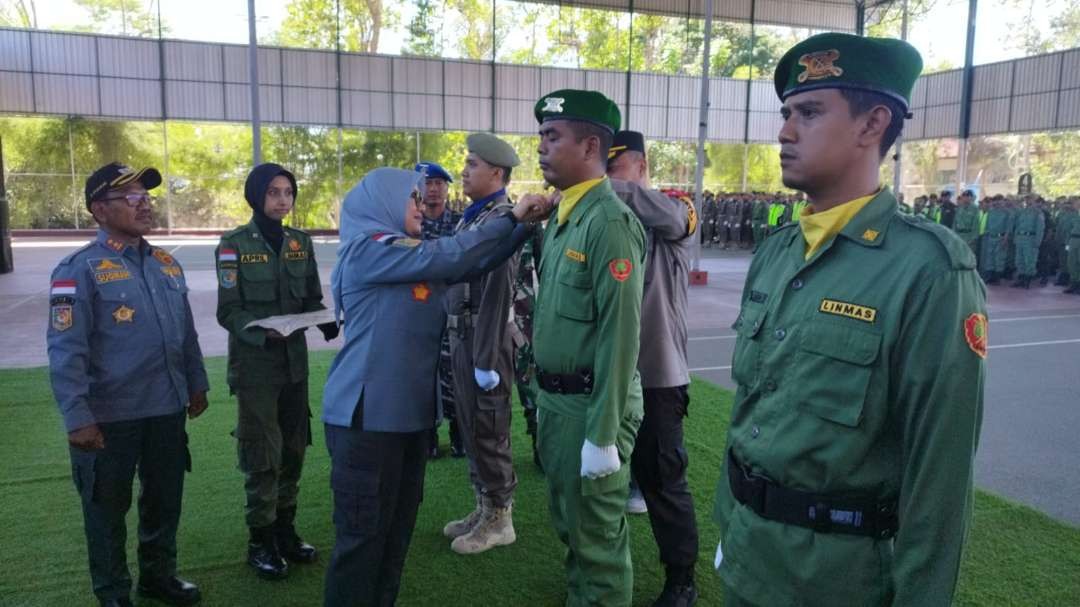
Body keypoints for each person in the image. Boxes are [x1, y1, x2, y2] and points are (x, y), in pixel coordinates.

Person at [714, 34, 986, 607]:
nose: (784, 132)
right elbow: (751, 410)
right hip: (748, 558)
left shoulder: (929, 271)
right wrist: (728, 525)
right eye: (786, 113)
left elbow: (939, 473)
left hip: (837, 580)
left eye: (809, 113)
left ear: (872, 125)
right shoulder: (777, 251)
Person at [320, 167, 548, 607]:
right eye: (410, 198)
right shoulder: (368, 250)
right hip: (367, 423)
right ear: (382, 203)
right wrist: (511, 216)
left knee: (394, 539)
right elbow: (452, 252)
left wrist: (522, 228)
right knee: (362, 543)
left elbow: (471, 260)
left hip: (407, 421)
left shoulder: (409, 256)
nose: (421, 204)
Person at [47, 162, 209, 607]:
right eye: (131, 197)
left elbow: (186, 333)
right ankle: (113, 592)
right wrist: (77, 417)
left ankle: (158, 576)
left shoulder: (165, 264)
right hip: (110, 416)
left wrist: (196, 383)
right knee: (106, 511)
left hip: (165, 408)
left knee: (163, 501)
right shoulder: (78, 268)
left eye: (146, 195)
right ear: (99, 210)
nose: (144, 203)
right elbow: (65, 350)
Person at [527, 89, 646, 606]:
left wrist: (602, 436)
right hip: (557, 403)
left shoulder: (609, 223)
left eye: (552, 137)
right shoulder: (560, 219)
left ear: (590, 145)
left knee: (597, 542)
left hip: (592, 406)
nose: (541, 147)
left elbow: (621, 338)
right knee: (571, 528)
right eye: (541, 137)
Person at [215, 163, 334, 580]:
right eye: (274, 192)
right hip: (256, 369)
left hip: (294, 367)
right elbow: (228, 311)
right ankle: (260, 540)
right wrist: (262, 334)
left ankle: (285, 530)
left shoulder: (301, 242)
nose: (282, 200)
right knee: (262, 454)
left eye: (288, 192)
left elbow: (312, 298)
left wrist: (324, 319)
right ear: (256, 197)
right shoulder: (232, 246)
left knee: (294, 450)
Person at [607, 130, 701, 607]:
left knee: (664, 478)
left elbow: (661, 214)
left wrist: (585, 185)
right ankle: (599, 572)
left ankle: (681, 579)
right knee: (600, 479)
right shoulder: (602, 220)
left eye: (614, 165)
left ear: (641, 165)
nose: (607, 175)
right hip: (609, 372)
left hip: (657, 373)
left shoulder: (675, 209)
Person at [443, 132, 523, 555]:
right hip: (465, 336)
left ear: (496, 172)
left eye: (472, 164)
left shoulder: (502, 218)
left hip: (485, 339)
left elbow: (499, 290)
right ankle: (483, 503)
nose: (464, 170)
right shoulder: (474, 216)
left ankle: (500, 517)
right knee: (472, 424)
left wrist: (487, 357)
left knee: (490, 427)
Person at [416, 161, 465, 458]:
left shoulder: (461, 223)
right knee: (423, 371)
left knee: (456, 369)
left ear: (447, 188)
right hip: (419, 309)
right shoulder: (409, 223)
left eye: (438, 183)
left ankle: (459, 430)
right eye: (426, 183)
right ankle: (428, 433)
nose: (432, 189)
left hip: (454, 307)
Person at [1011, 195, 1044, 288]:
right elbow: (1017, 226)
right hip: (1020, 237)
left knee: (1029, 260)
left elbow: (1040, 228)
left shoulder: (1038, 212)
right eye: (1026, 199)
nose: (1028, 201)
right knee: (1019, 259)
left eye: (1030, 199)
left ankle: (1027, 280)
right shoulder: (1022, 211)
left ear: (1034, 200)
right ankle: (1021, 278)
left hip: (1031, 238)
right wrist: (1015, 238)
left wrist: (1038, 241)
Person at [953, 189, 981, 254]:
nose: (965, 198)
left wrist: (973, 239)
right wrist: (953, 235)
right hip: (959, 236)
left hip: (969, 237)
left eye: (967, 196)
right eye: (964, 196)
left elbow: (976, 225)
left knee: (969, 258)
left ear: (971, 197)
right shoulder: (959, 208)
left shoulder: (975, 209)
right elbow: (954, 223)